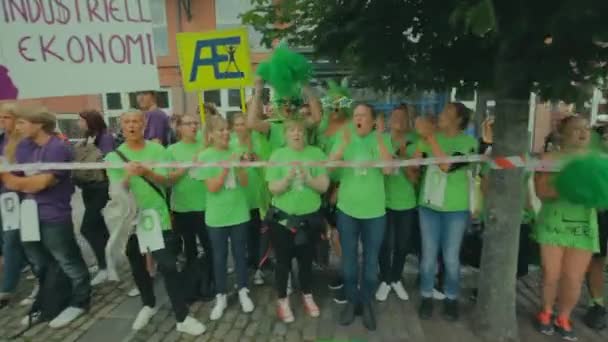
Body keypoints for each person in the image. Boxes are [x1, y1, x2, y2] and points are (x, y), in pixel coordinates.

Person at [104, 110, 206, 336]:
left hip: (158, 217)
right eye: (127, 122)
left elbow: (167, 181)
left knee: (169, 266)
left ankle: (182, 316)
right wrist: (129, 175)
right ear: (122, 126)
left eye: (136, 121)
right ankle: (148, 304)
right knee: (138, 267)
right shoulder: (114, 157)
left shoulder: (158, 150)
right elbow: (117, 190)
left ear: (144, 124)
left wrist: (146, 171)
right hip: (131, 221)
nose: (132, 126)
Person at [1, 107, 91, 328]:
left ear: (38, 123)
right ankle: (51, 301)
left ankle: (80, 301)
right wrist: (15, 180)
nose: (17, 127)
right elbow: (19, 181)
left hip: (54, 214)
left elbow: (39, 183)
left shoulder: (57, 148)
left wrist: (9, 176)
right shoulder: (24, 146)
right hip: (28, 214)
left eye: (22, 122)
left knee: (67, 260)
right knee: (40, 263)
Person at [534, 116, 599, 340]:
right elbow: (542, 193)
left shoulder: (597, 160)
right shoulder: (550, 158)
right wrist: (572, 186)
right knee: (551, 274)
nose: (583, 133)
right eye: (576, 129)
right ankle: (546, 312)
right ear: (563, 134)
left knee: (573, 277)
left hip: (583, 226)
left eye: (586, 129)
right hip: (553, 222)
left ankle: (564, 316)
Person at [331, 103, 393, 331]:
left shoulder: (382, 139)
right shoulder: (344, 137)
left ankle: (366, 302)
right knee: (348, 262)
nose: (358, 119)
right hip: (348, 210)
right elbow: (330, 165)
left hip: (375, 212)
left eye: (363, 116)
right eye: (355, 115)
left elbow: (388, 170)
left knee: (369, 263)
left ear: (373, 120)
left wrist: (378, 138)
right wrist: (343, 146)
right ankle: (351, 301)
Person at [415, 102, 478, 322]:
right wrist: (421, 128)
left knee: (451, 258)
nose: (440, 115)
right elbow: (414, 155)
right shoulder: (432, 137)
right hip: (428, 206)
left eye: (446, 113)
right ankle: (426, 296)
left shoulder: (469, 142)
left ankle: (451, 298)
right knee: (428, 257)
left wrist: (431, 137)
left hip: (455, 209)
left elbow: (447, 167)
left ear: (459, 120)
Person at [266, 118, 329, 323]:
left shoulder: (316, 154)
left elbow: (324, 186)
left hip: (309, 219)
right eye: (292, 130)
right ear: (285, 134)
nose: (296, 133)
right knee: (282, 262)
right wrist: (286, 179)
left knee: (306, 261)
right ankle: (283, 300)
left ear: (306, 133)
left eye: (300, 130)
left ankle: (307, 295)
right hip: (283, 220)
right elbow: (272, 188)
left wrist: (308, 178)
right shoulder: (277, 155)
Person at [194, 116, 255, 321]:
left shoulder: (236, 151)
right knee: (219, 258)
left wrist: (241, 166)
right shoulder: (204, 156)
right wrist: (226, 166)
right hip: (217, 216)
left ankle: (243, 290)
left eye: (227, 129)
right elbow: (213, 187)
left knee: (240, 254)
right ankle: (221, 296)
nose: (226, 133)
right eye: (220, 130)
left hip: (239, 212)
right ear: (210, 134)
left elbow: (245, 183)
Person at [376, 105, 419, 302]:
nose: (398, 119)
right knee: (385, 244)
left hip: (406, 203)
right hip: (382, 201)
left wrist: (402, 158)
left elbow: (414, 178)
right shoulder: (382, 140)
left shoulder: (415, 142)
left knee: (402, 245)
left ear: (409, 120)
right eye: (395, 116)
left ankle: (395, 278)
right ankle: (385, 279)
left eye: (403, 116)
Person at [76, 110, 114, 286]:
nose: (78, 123)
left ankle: (105, 267)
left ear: (90, 121)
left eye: (81, 120)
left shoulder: (104, 138)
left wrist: (89, 148)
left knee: (88, 228)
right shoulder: (85, 139)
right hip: (87, 188)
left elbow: (104, 160)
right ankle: (105, 262)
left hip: (101, 187)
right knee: (99, 227)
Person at [230, 113, 269, 285]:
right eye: (237, 124)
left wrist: (256, 158)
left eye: (244, 124)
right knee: (241, 237)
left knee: (258, 236)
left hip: (258, 197)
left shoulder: (259, 140)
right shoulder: (229, 143)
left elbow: (267, 167)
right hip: (239, 199)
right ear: (233, 127)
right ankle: (244, 267)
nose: (241, 128)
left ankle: (259, 268)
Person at [167, 114, 211, 265]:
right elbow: (169, 179)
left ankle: (212, 282)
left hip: (207, 205)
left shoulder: (205, 146)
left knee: (210, 247)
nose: (193, 126)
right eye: (188, 124)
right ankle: (194, 283)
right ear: (179, 127)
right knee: (190, 249)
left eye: (195, 123)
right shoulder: (171, 150)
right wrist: (188, 164)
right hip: (182, 207)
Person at [248, 77, 322, 152]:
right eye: (283, 103)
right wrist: (258, 91)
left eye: (292, 102)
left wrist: (306, 87)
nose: (288, 105)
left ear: (298, 106)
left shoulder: (301, 123)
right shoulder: (272, 126)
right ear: (278, 106)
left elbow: (317, 118)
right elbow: (252, 123)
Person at [0, 103, 27, 307]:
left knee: (11, 240)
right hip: (3, 195)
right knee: (9, 239)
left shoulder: (24, 143)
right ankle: (26, 265)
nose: (2, 121)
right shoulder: (1, 140)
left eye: (6, 117)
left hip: (20, 196)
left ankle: (6, 288)